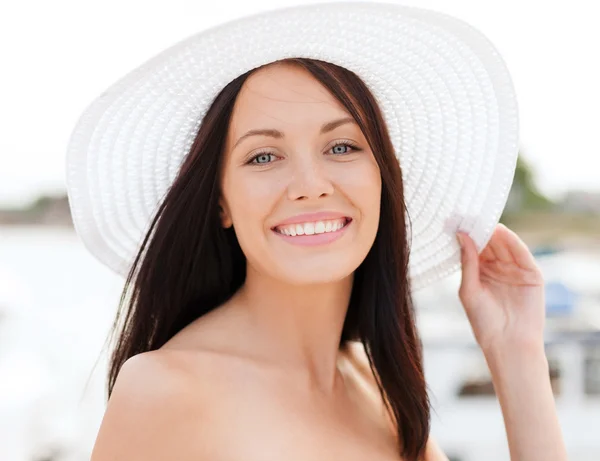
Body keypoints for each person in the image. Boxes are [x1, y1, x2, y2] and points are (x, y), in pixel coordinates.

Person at [65, 4, 568, 461]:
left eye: (342, 147)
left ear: (382, 178)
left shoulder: (377, 391)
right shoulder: (167, 389)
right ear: (221, 201)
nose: (309, 186)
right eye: (264, 156)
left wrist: (516, 352)